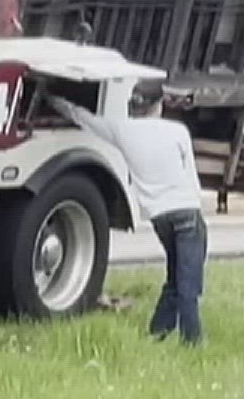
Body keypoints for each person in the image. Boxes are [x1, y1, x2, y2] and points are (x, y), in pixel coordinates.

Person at [46, 90, 207, 344]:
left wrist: (54, 99)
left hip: (159, 216)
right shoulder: (177, 131)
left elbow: (83, 117)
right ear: (158, 106)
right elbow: (190, 174)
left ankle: (158, 331)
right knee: (190, 281)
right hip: (187, 210)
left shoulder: (122, 131)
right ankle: (192, 341)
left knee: (175, 276)